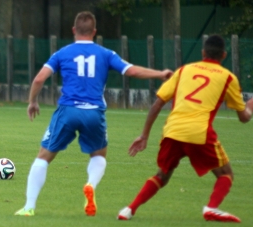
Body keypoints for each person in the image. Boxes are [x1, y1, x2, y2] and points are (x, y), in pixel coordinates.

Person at [14, 11, 172, 217]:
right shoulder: (106, 54)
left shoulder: (63, 53)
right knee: (98, 155)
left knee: (43, 157)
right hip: (94, 113)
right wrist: (160, 74)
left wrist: (33, 101)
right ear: (95, 32)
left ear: (74, 30)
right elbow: (131, 71)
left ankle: (29, 206)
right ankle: (90, 184)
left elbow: (38, 79)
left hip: (68, 111)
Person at [117, 34, 253, 223]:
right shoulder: (228, 77)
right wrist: (250, 109)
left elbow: (157, 104)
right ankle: (211, 208)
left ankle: (128, 210)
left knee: (162, 175)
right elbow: (243, 117)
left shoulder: (184, 70)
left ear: (202, 52)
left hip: (172, 131)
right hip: (199, 132)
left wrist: (144, 135)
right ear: (224, 55)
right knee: (226, 174)